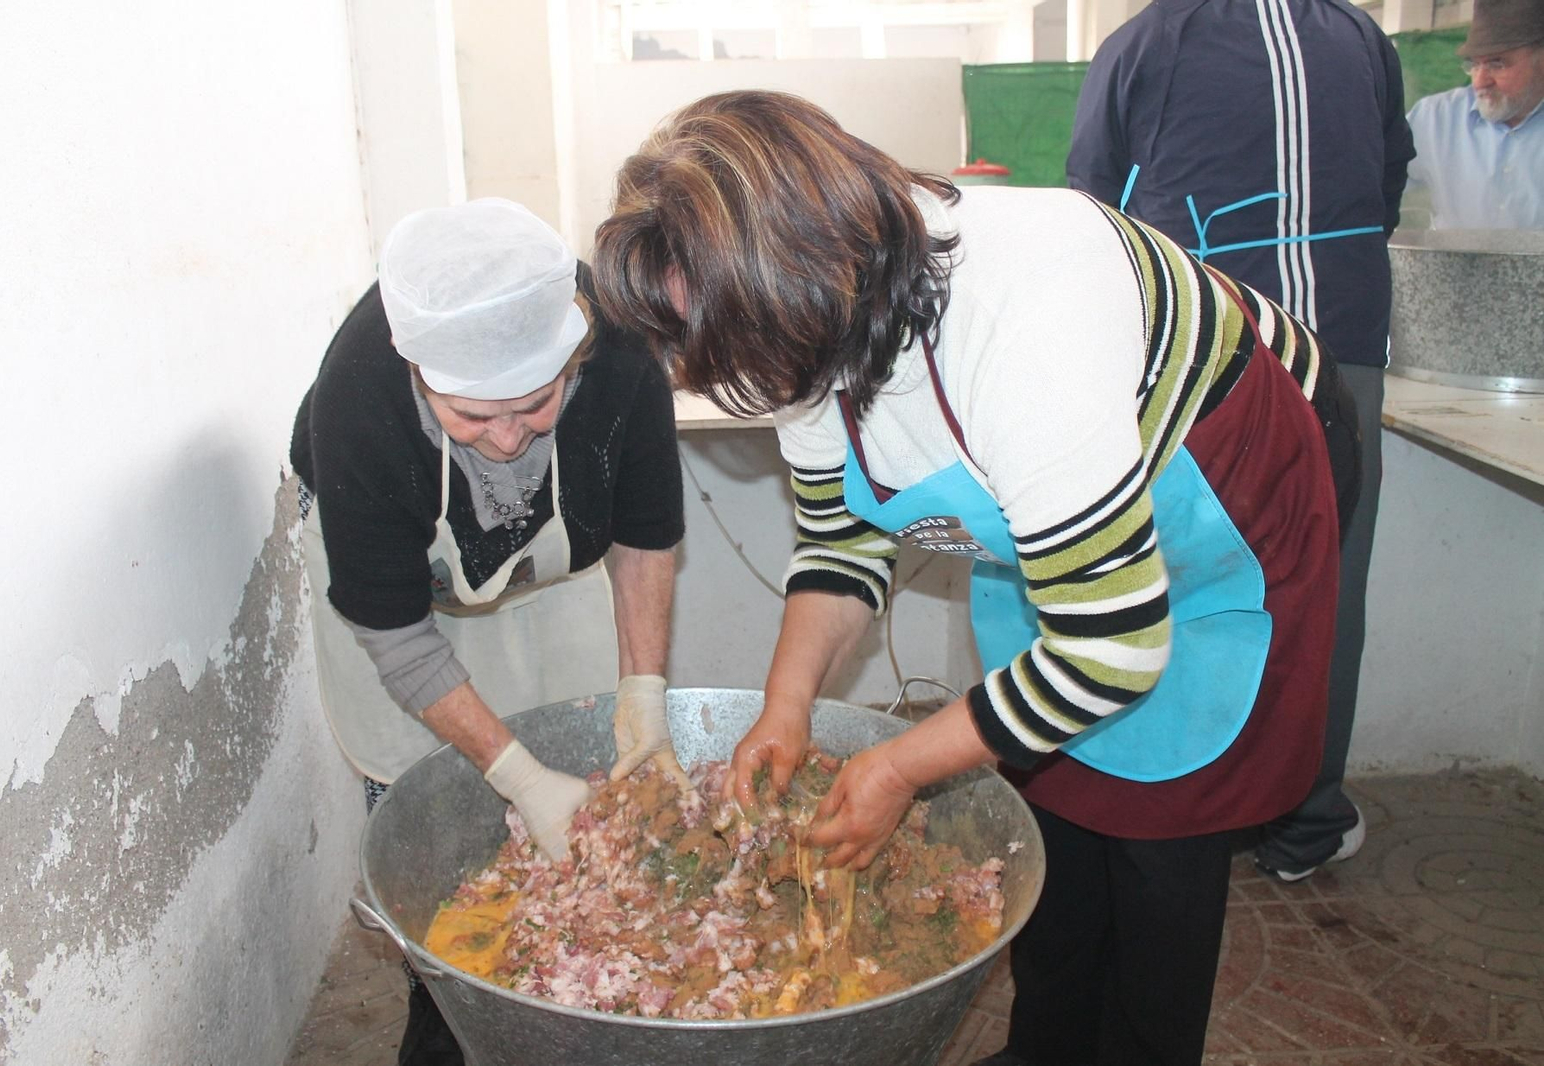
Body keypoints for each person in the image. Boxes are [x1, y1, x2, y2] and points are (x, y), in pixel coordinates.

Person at [593, 90, 1359, 1066]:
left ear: (817, 277)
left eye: (736, 356)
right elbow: (841, 543)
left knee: (1162, 833)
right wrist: (785, 708)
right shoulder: (790, 315)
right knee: (1054, 801)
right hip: (1073, 535)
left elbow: (1112, 649)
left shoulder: (1027, 317)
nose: (732, 383)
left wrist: (895, 764)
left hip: (1229, 490)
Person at [289, 198, 686, 1065]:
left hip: (544, 578)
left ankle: (589, 996)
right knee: (433, 808)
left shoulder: (620, 359)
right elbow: (397, 638)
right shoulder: (361, 399)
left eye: (538, 405)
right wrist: (518, 777)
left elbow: (645, 539)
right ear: (419, 376)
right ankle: (446, 1009)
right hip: (409, 599)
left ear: (574, 357)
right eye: (472, 418)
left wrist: (644, 699)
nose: (507, 440)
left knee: (579, 752)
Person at [1065, 0, 1413, 886]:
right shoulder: (1362, 37)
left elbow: (1088, 216)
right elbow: (1387, 187)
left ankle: (1190, 819)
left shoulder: (1147, 42)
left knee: (1188, 580)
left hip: (1210, 364)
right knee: (1325, 585)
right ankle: (1304, 821)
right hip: (1341, 346)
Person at [1405, 0, 1544, 229]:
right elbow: (1368, 180)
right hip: (1448, 266)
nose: (1480, 81)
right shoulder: (1434, 119)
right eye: (1474, 65)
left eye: (1497, 64)